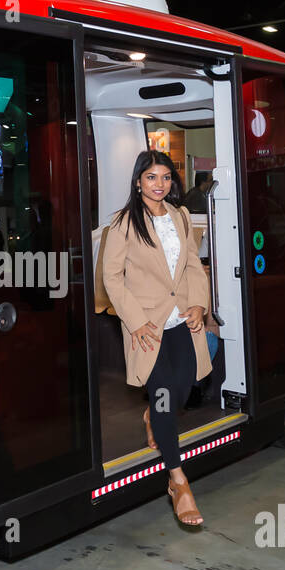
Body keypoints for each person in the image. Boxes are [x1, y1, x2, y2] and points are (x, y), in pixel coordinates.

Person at [101, 150, 211, 527]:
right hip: (146, 327)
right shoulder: (123, 223)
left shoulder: (180, 216)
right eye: (151, 177)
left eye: (165, 177)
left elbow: (193, 264)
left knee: (182, 388)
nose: (159, 184)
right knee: (164, 393)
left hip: (182, 320)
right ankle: (178, 481)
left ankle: (152, 414)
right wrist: (134, 321)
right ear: (138, 181)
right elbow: (112, 278)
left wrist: (199, 304)